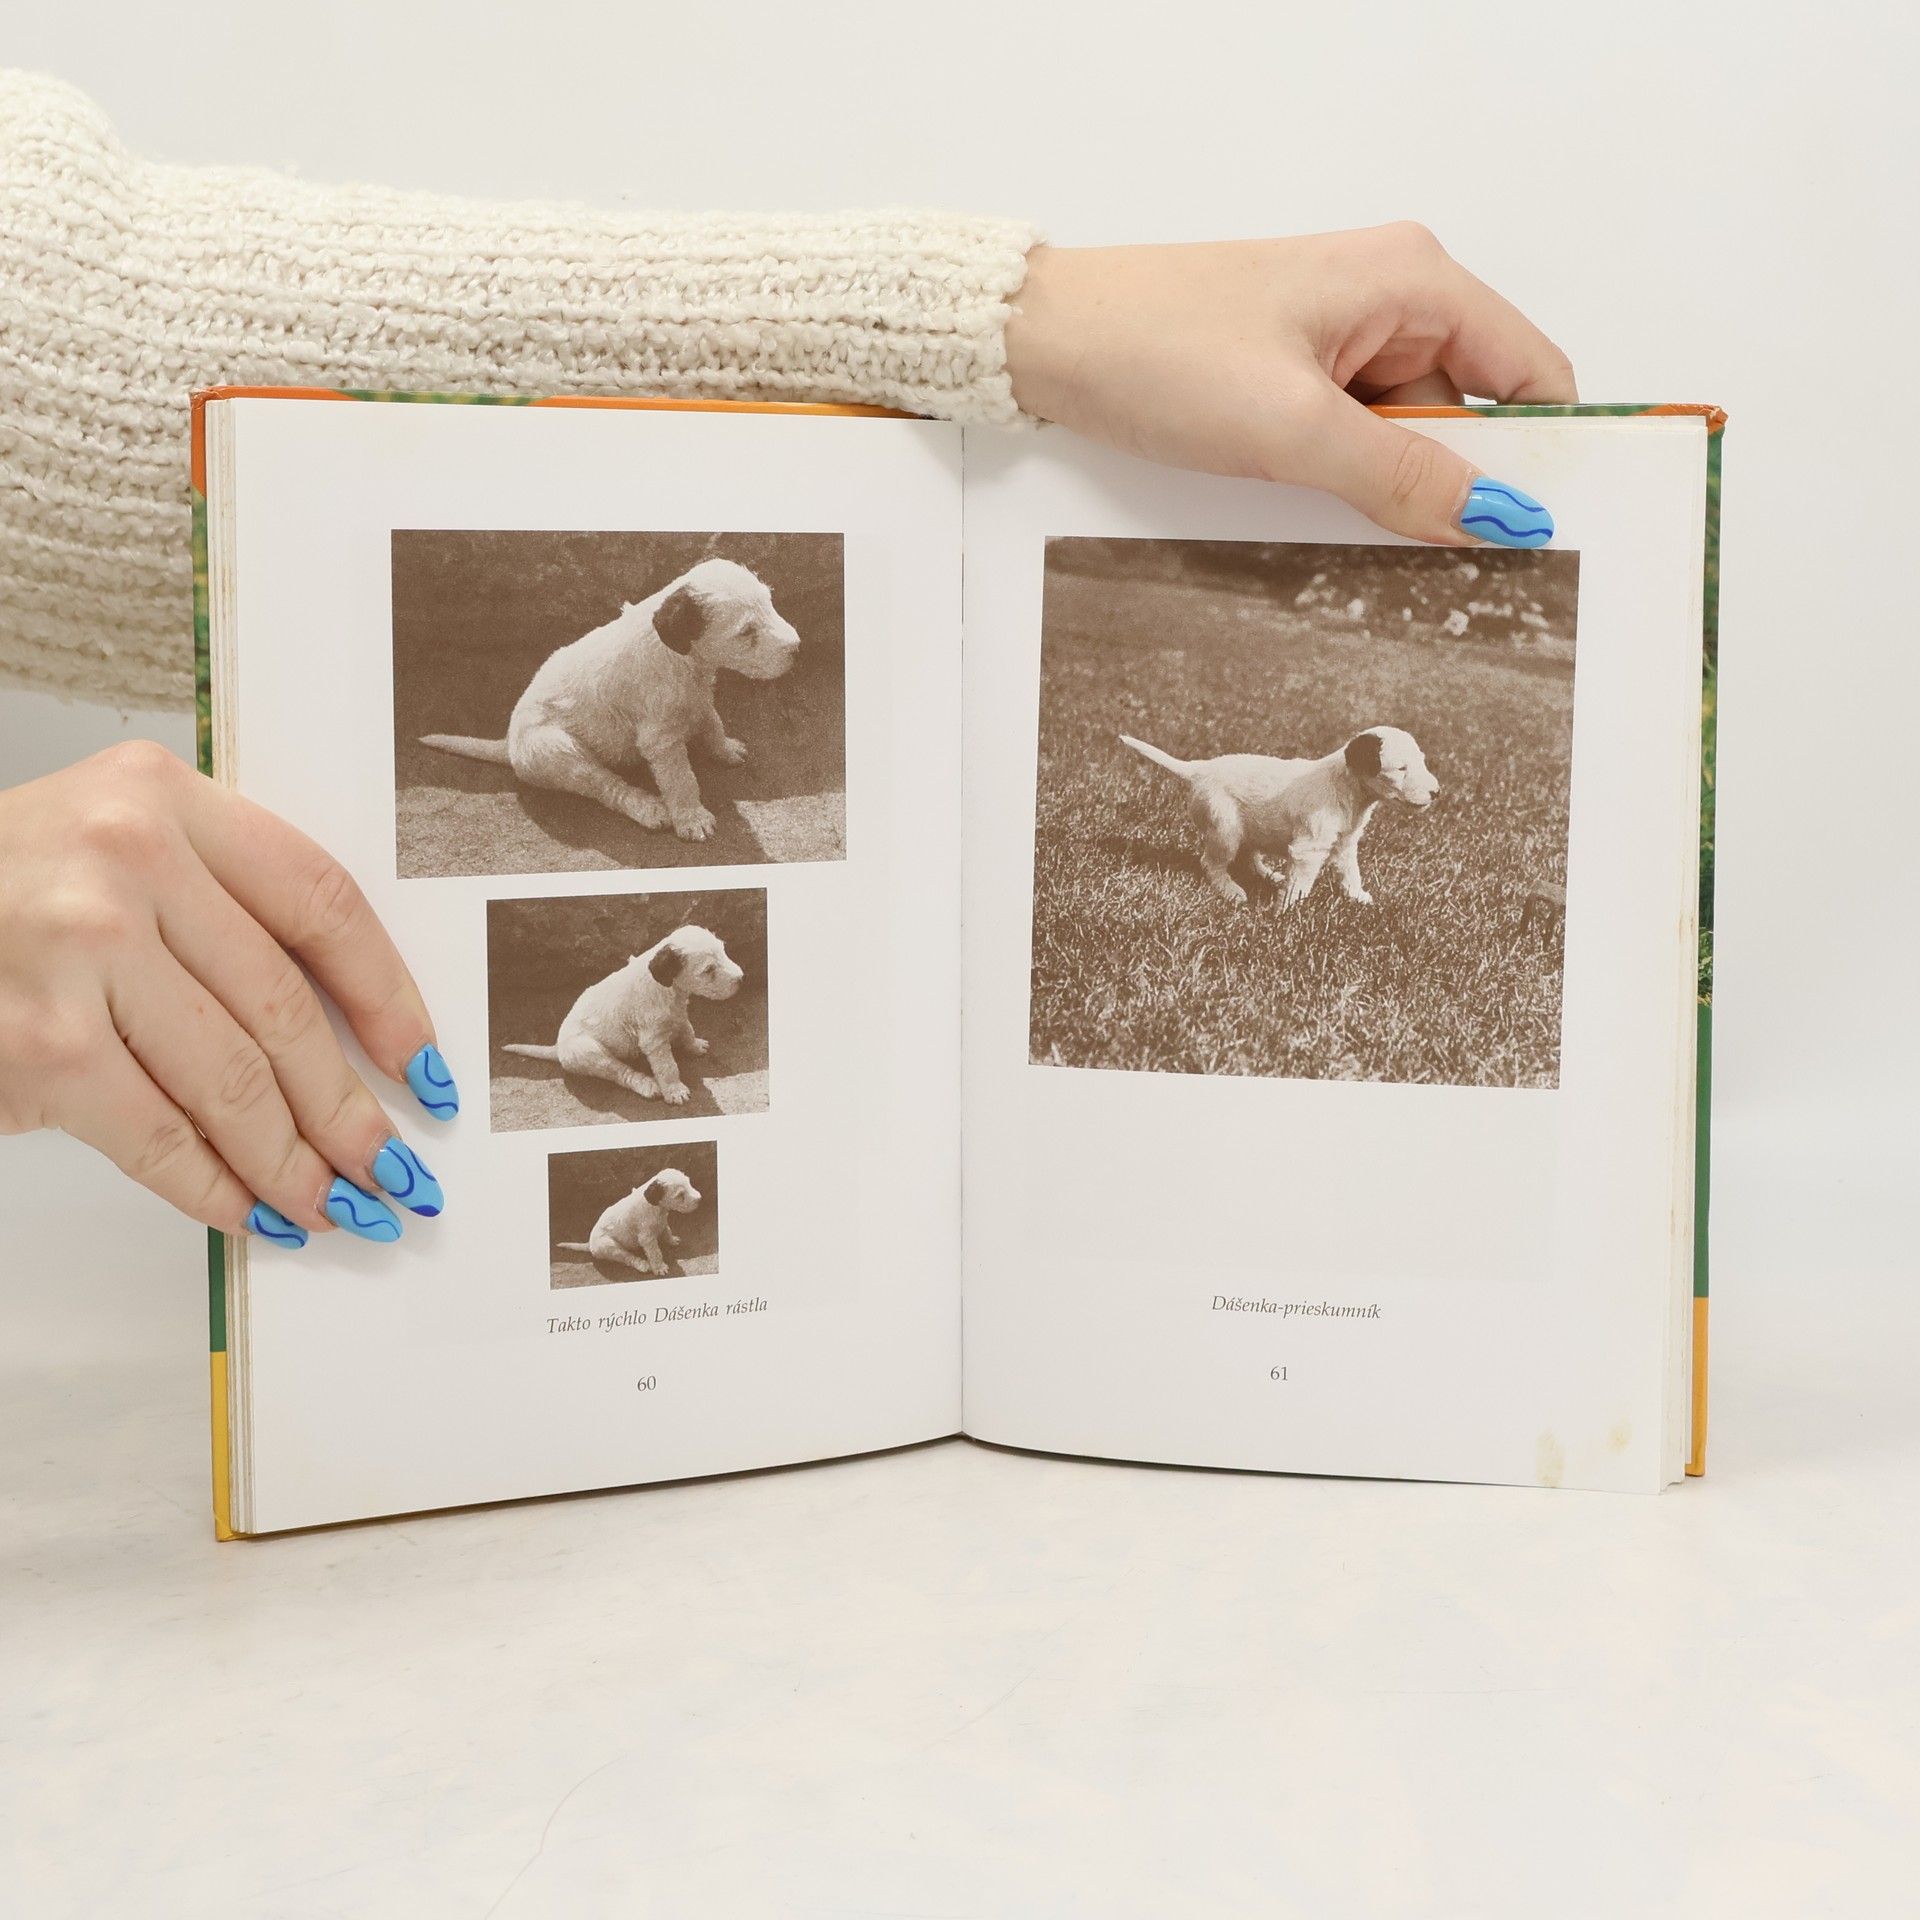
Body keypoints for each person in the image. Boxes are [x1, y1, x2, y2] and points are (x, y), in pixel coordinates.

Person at [0, 69, 1575, 1248]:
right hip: (577, 753)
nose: (786, 642)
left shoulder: (676, 643)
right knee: (632, 772)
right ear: (691, 627)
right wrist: (672, 799)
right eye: (751, 632)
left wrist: (1024, 325)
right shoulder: (654, 681)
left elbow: (74, 329)